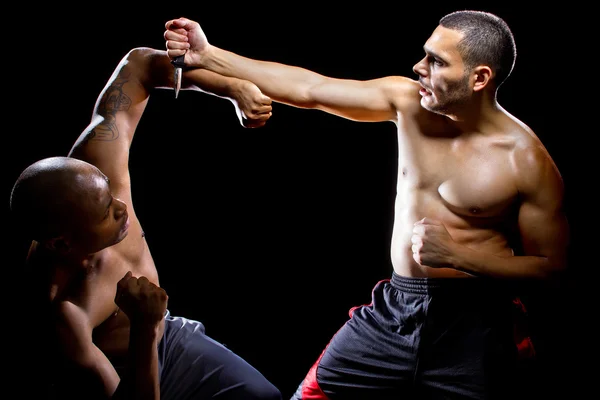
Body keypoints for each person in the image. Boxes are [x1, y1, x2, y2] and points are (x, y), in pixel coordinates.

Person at [163, 10, 570, 400]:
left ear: (480, 78)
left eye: (436, 62)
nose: (418, 67)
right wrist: (209, 53)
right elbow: (311, 89)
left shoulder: (525, 160)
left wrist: (461, 256)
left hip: (475, 328)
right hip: (395, 308)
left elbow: (552, 268)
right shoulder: (408, 103)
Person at [9, 45, 282, 400]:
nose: (122, 207)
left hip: (167, 337)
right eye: (107, 212)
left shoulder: (97, 166)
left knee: (263, 396)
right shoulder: (64, 312)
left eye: (110, 192)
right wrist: (142, 328)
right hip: (126, 371)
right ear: (62, 243)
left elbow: (137, 65)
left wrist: (231, 88)